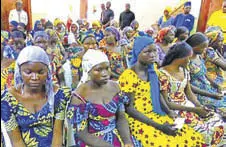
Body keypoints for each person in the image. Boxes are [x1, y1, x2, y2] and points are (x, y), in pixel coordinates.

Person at [119, 36, 205, 146]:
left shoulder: (152, 69)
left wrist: (169, 112)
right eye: (147, 51)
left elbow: (157, 93)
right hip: (139, 118)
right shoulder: (128, 76)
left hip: (156, 113)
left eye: (154, 50)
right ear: (137, 52)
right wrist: (159, 126)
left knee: (191, 137)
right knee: (164, 142)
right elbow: (129, 109)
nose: (153, 54)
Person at [66, 49, 138, 147]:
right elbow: (82, 133)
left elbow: (121, 117)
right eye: (98, 70)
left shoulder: (115, 87)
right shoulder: (80, 96)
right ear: (88, 71)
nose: (104, 73)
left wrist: (127, 142)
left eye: (107, 68)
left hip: (116, 136)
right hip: (93, 142)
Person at [1, 46, 70, 146]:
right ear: (20, 71)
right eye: (28, 72)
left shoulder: (58, 95)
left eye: (41, 72)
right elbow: (16, 140)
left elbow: (58, 133)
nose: (35, 77)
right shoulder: (7, 99)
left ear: (48, 71)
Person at [158, 42, 225, 146]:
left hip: (189, 107)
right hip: (175, 111)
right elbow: (167, 103)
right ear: (180, 57)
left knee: (218, 122)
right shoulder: (162, 74)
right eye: (188, 58)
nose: (189, 61)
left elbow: (189, 94)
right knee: (205, 133)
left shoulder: (184, 70)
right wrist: (195, 110)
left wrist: (200, 107)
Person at [186, 32, 226, 118]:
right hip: (199, 94)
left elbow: (205, 74)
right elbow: (188, 86)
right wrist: (211, 95)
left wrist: (216, 86)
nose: (205, 49)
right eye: (203, 47)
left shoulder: (198, 56)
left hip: (208, 89)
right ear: (194, 46)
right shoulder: (186, 61)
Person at [203, 27, 226, 94]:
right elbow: (224, 67)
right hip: (214, 81)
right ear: (212, 40)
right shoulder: (210, 51)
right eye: (220, 41)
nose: (222, 43)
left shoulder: (214, 50)